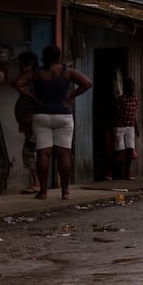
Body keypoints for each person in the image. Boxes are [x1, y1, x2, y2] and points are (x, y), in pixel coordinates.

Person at [14, 45, 92, 200]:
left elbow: (17, 83)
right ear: (59, 56)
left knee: (43, 154)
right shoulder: (66, 72)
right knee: (64, 155)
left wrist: (33, 97)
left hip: (42, 115)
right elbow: (87, 83)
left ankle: (43, 191)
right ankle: (65, 191)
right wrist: (70, 96)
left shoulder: (36, 73)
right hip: (63, 116)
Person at [14, 51, 41, 194]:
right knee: (31, 152)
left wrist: (28, 119)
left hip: (32, 121)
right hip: (29, 121)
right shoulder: (31, 79)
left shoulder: (33, 79)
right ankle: (36, 182)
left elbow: (37, 102)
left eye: (21, 65)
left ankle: (36, 183)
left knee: (31, 152)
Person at [113, 78, 138, 180]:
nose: (132, 87)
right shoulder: (121, 99)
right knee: (120, 150)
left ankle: (127, 172)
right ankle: (114, 171)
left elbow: (134, 114)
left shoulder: (135, 99)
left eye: (133, 85)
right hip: (120, 126)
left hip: (130, 126)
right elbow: (115, 112)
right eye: (130, 85)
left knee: (130, 149)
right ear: (126, 87)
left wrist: (136, 127)